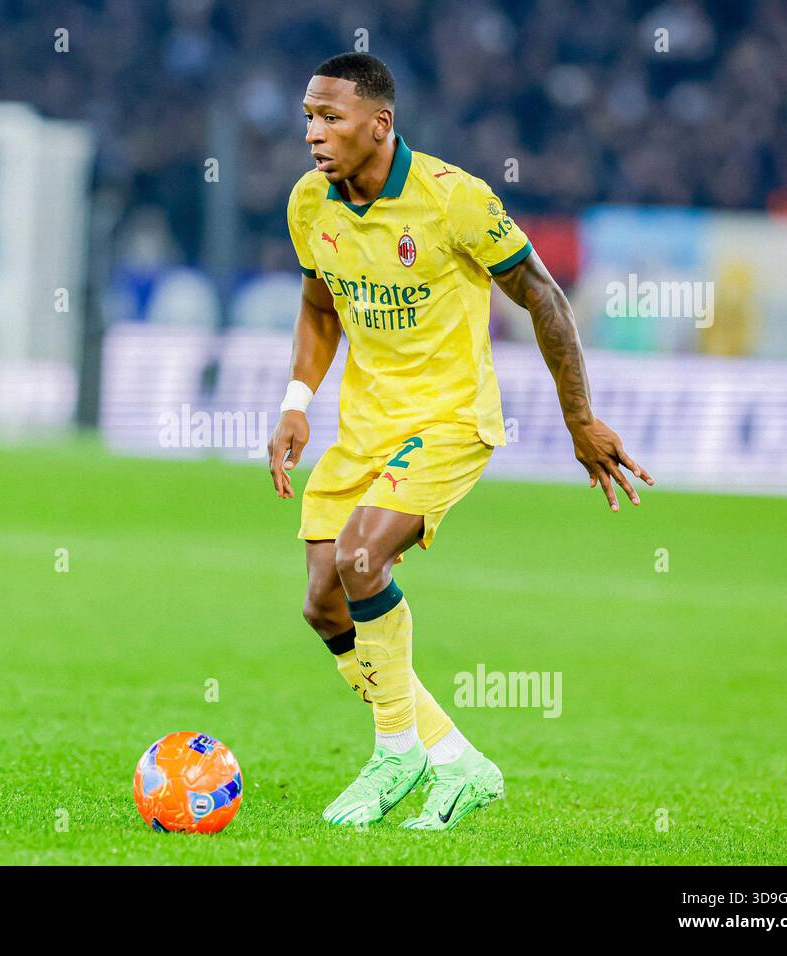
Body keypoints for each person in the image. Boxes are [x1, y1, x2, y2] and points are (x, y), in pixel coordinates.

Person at [268, 53, 650, 830]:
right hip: (364, 425)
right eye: (308, 116)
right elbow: (318, 306)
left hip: (448, 420)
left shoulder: (455, 199)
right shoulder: (311, 203)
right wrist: (296, 400)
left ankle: (394, 751)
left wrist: (580, 417)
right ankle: (456, 761)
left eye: (329, 118)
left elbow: (544, 296)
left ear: (380, 124)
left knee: (362, 557)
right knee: (322, 602)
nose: (313, 133)